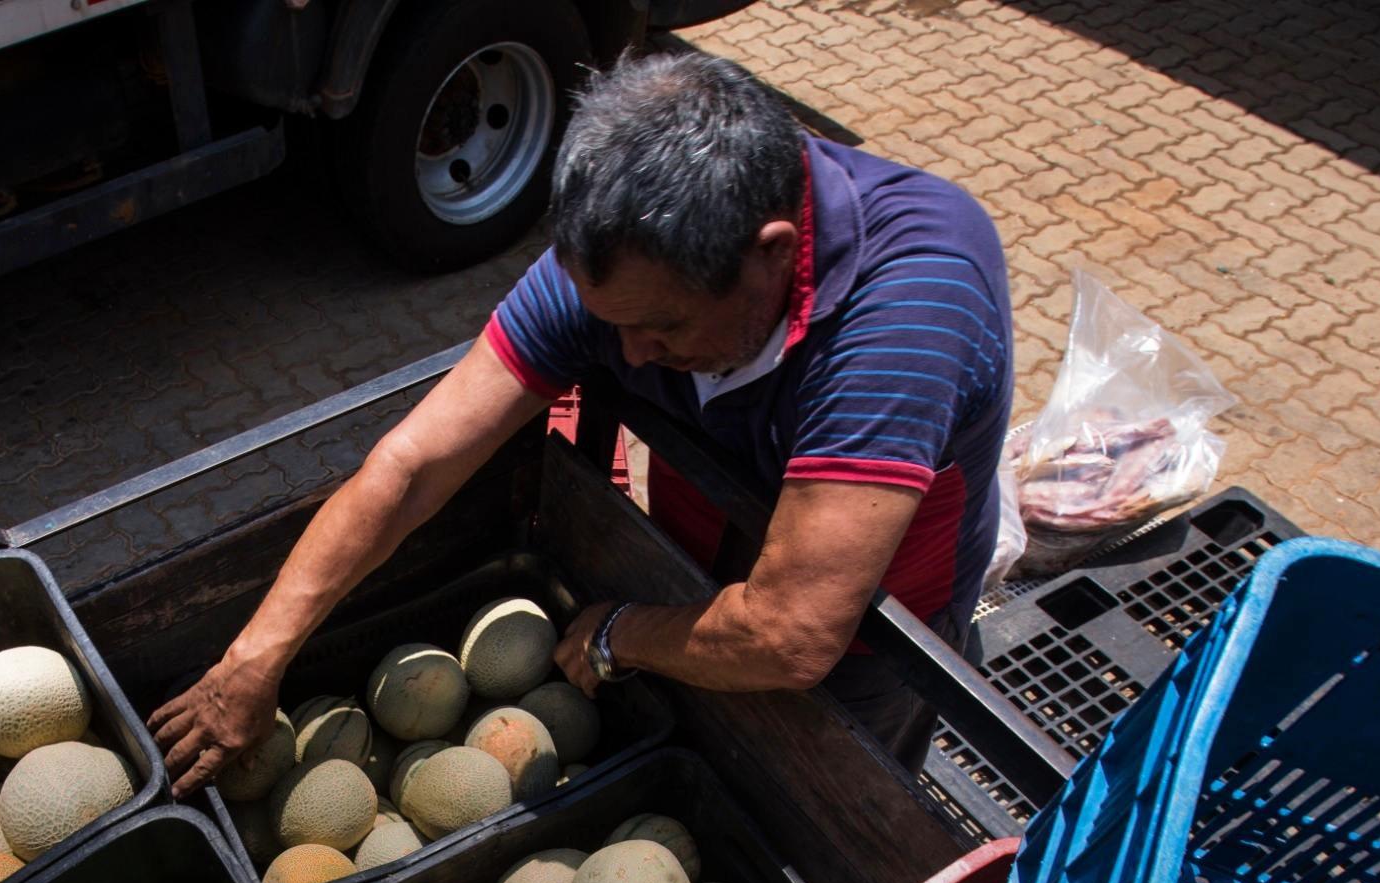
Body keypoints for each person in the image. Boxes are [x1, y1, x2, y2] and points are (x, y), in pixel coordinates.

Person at [151, 49, 1013, 794]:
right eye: (613, 323)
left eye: (663, 328)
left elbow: (790, 634)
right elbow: (414, 466)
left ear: (774, 256)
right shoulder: (625, 270)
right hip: (698, 567)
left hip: (863, 624)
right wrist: (258, 653)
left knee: (834, 802)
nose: (629, 356)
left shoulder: (906, 304)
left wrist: (617, 632)